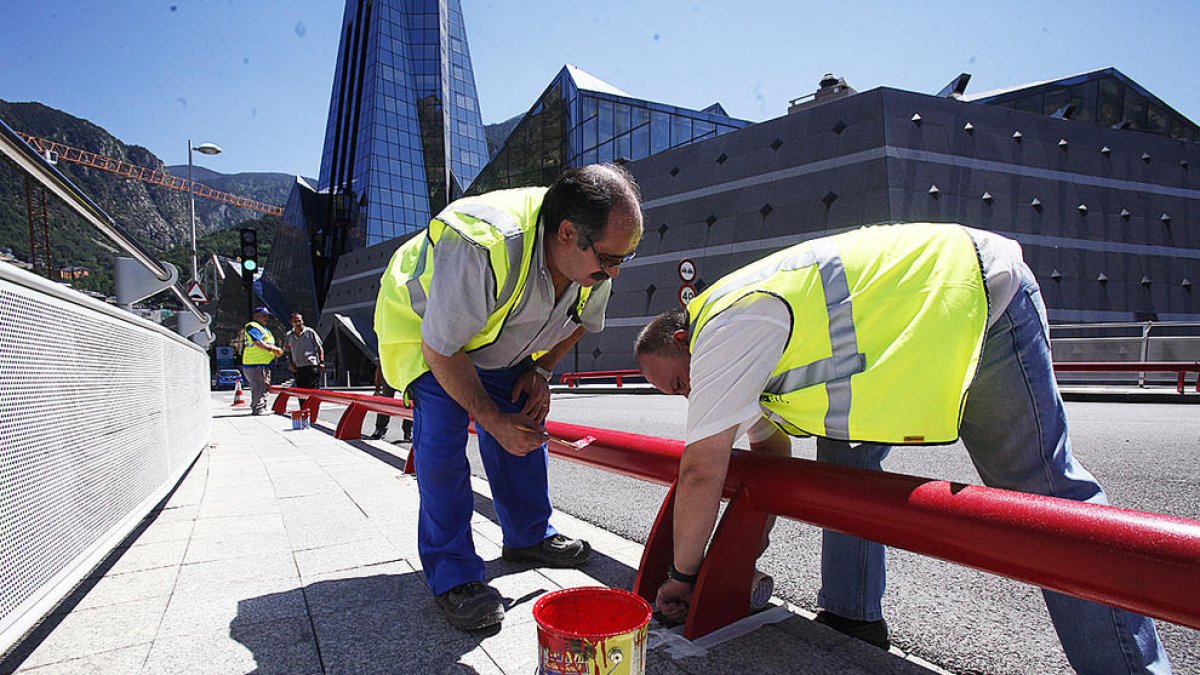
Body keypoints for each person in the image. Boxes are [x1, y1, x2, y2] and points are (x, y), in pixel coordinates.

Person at [634, 222, 1170, 674]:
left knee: (1045, 500)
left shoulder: (727, 326)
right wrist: (738, 555)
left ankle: (1125, 669)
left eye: (679, 383)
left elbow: (703, 470)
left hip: (976, 298)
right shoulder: (733, 331)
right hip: (910, 338)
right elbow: (770, 458)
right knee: (841, 478)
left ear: (682, 341)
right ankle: (852, 617)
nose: (688, 396)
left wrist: (683, 577)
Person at [375, 164, 642, 631]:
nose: (615, 271)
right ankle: (454, 574)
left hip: (498, 337)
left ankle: (528, 535)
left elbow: (581, 319)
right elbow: (442, 348)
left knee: (523, 417)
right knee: (441, 444)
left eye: (625, 258)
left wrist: (540, 369)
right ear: (566, 233)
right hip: (429, 334)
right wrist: (490, 420)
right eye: (610, 259)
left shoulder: (596, 256)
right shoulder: (482, 244)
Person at [241, 306, 284, 415]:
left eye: (267, 316)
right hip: (254, 363)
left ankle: (263, 406)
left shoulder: (265, 329)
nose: (266, 318)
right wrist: (273, 349)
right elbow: (258, 343)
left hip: (263, 364)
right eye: (264, 315)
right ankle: (257, 408)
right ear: (256, 316)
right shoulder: (252, 326)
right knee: (258, 386)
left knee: (264, 386)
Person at [366, 363, 412, 442]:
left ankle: (408, 431)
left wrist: (377, 388)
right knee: (386, 401)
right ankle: (380, 429)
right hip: (390, 374)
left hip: (406, 373)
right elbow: (380, 365)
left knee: (409, 401)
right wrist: (377, 388)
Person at [285, 313, 325, 395]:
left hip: (311, 365)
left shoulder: (310, 332)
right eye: (295, 321)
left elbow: (319, 347)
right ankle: (303, 407)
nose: (298, 323)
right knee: (301, 392)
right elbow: (288, 350)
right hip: (298, 367)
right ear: (291, 322)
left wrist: (321, 362)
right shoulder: (289, 335)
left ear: (302, 321)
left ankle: (312, 408)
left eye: (299, 321)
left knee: (313, 391)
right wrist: (291, 363)